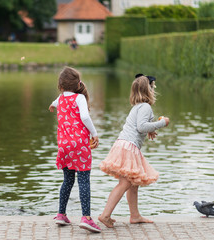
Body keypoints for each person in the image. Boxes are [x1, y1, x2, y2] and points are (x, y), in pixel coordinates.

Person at [98, 74, 170, 228]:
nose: (154, 90)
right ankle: (105, 215)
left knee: (133, 183)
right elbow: (141, 126)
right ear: (149, 90)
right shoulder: (146, 107)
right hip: (129, 147)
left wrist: (149, 129)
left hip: (123, 144)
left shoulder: (138, 107)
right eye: (153, 87)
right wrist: (162, 123)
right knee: (125, 183)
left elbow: (141, 126)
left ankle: (135, 215)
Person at [49, 66, 101, 233]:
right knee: (84, 180)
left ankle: (61, 214)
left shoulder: (61, 98)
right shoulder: (79, 98)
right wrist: (94, 134)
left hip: (64, 146)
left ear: (61, 86)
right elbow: (85, 117)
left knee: (68, 180)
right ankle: (86, 218)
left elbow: (54, 104)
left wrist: (52, 106)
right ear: (77, 84)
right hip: (79, 145)